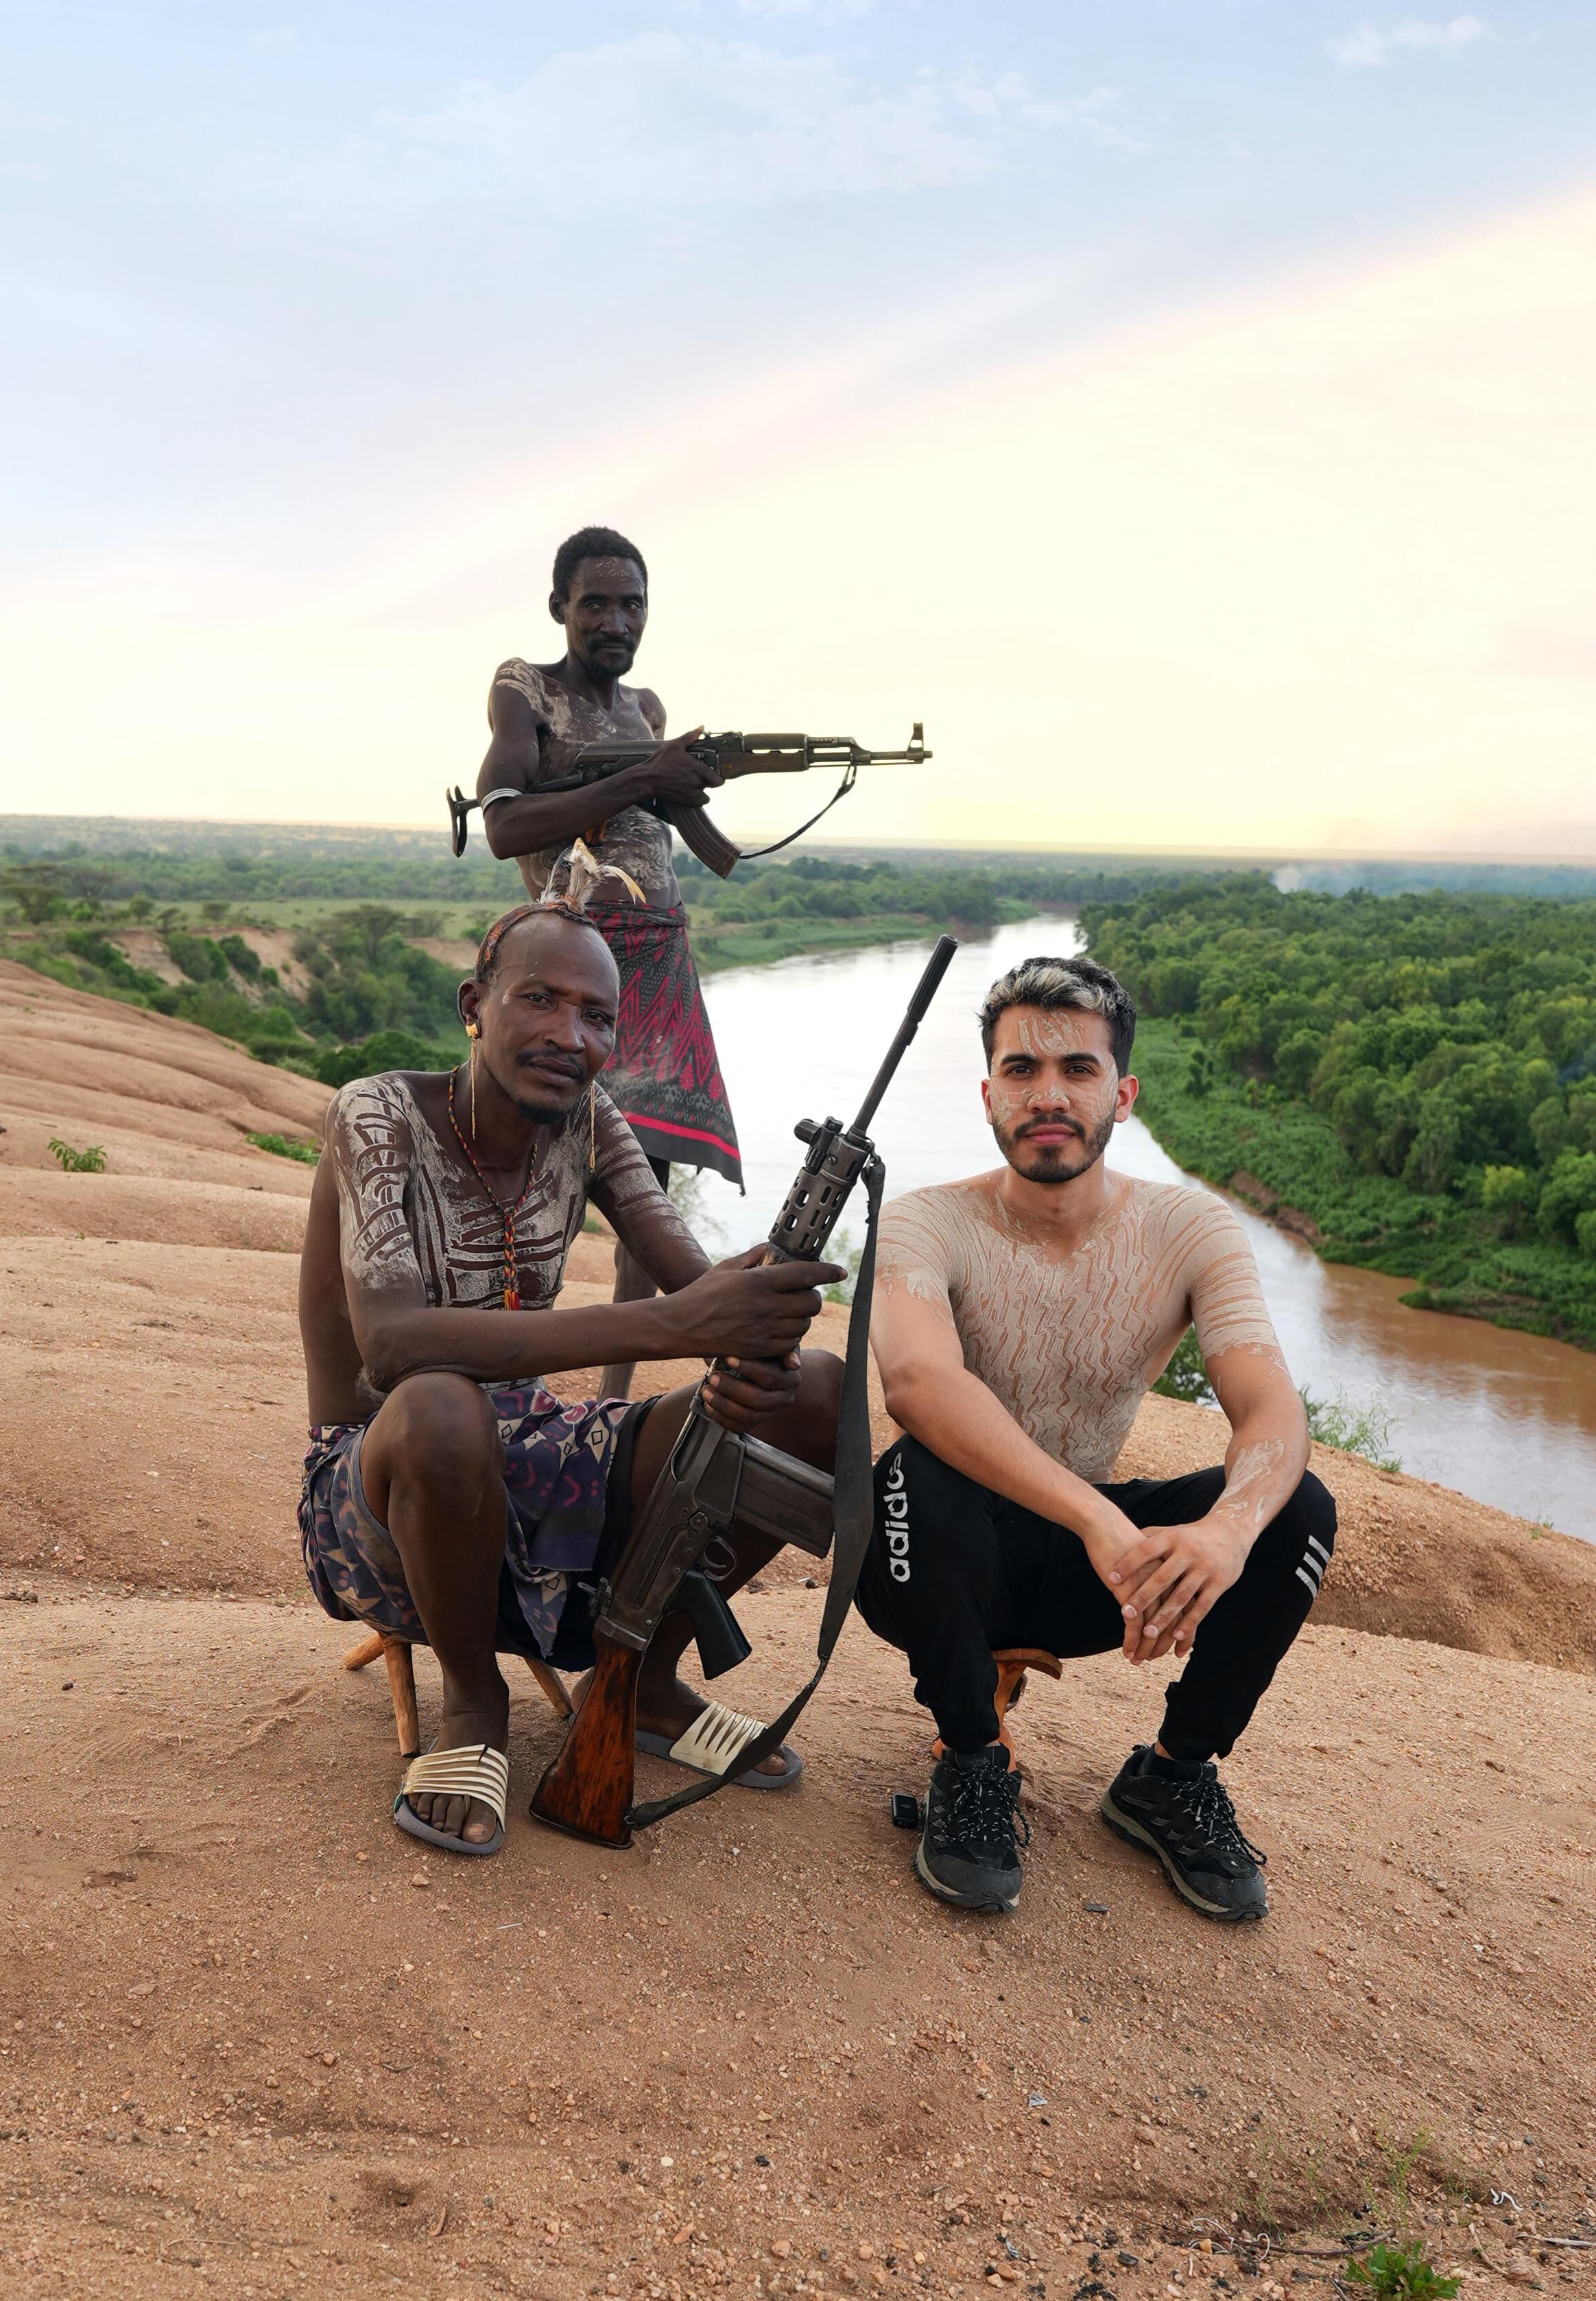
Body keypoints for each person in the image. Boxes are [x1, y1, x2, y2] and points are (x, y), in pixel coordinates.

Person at [296, 873, 842, 1856]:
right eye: (539, 998)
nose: (570, 1034)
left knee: (817, 1396)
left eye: (597, 1015)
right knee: (439, 1410)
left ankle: (640, 1674)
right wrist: (679, 1325)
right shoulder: (376, 1115)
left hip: (538, 1450)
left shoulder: (592, 1121)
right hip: (381, 1478)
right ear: (476, 1006)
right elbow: (392, 1344)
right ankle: (474, 1704)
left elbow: (691, 1284)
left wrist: (765, 1287)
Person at [855, 954, 1334, 1923]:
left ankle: (1173, 1771)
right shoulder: (921, 1222)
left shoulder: (1189, 1226)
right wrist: (1096, 1518)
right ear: (988, 1092)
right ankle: (972, 1756)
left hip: (1091, 1572)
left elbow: (1272, 1409)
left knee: (1299, 1508)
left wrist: (1226, 1533)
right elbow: (917, 1382)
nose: (1049, 1095)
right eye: (1022, 1071)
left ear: (1123, 1091)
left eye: (1077, 1069)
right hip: (937, 1559)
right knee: (914, 1472)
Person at [474, 525, 742, 1401]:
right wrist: (641, 780)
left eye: (632, 604)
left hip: (657, 970)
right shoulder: (525, 693)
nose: (615, 620)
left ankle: (613, 1399)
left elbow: (677, 835)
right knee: (525, 1169)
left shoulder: (647, 710)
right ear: (560, 608)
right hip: (573, 962)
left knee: (646, 1194)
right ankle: (500, 1375)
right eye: (595, 602)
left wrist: (680, 781)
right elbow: (507, 824)